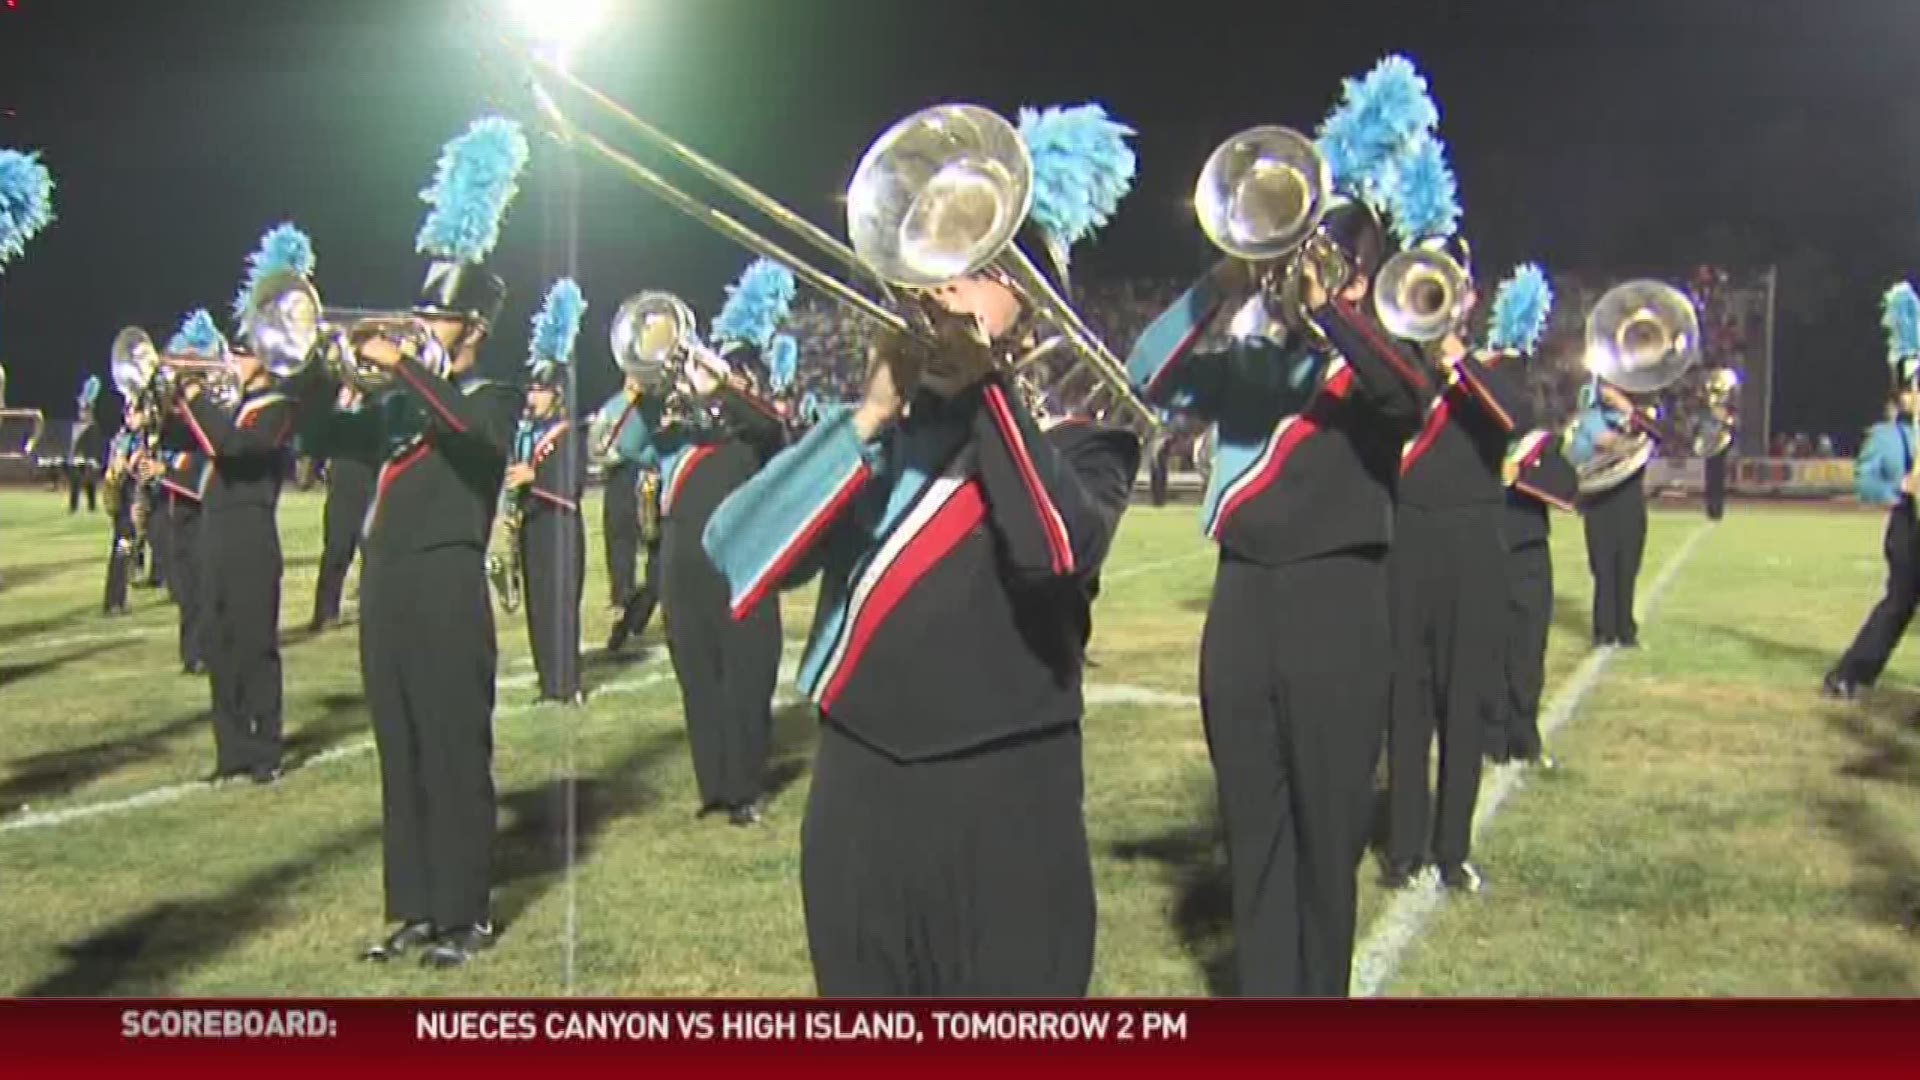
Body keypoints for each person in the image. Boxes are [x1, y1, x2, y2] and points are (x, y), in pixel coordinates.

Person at [358, 115, 529, 969]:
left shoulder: (492, 392)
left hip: (446, 586)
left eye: (440, 315)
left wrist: (405, 367)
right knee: (401, 745)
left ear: (475, 329)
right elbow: (331, 437)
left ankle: (466, 914)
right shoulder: (400, 398)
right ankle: (415, 908)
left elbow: (469, 431)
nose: (425, 323)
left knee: (455, 749)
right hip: (386, 584)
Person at [615, 260, 794, 826]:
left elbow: (772, 426)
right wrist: (643, 390)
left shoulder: (752, 430)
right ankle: (714, 784)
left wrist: (724, 384)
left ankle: (745, 787)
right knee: (696, 670)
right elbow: (618, 446)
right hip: (682, 558)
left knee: (747, 671)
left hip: (744, 556)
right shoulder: (674, 431)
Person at [1380, 245, 1535, 896]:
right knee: (1407, 704)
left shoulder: (1493, 368)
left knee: (1462, 705)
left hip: (1474, 544)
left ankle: (1453, 850)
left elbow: (1516, 419)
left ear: (1466, 295)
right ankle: (1405, 847)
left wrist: (1454, 359)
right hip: (1407, 540)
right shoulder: (1393, 371)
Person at [178, 335, 294, 785]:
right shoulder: (231, 406)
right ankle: (231, 750)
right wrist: (172, 399)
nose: (231, 362)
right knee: (217, 641)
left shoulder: (279, 408)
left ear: (264, 359)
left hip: (251, 532)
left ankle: (265, 749)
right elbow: (194, 438)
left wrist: (194, 397)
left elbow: (233, 448)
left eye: (241, 354)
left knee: (254, 644)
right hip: (215, 529)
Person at [1823, 306, 1920, 702]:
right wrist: (1902, 485)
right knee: (1898, 605)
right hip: (1908, 528)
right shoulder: (1886, 436)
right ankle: (1850, 674)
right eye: (1911, 389)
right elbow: (1866, 483)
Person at [506, 278, 588, 704]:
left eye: (540, 390)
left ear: (558, 395)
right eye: (531, 389)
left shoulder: (570, 433)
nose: (532, 397)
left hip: (560, 530)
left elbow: (570, 487)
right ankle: (546, 683)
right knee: (539, 608)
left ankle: (568, 684)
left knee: (560, 608)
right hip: (534, 528)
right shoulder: (529, 433)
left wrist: (531, 482)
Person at [1568, 381, 1652, 648]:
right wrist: (1630, 435)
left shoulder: (1638, 415)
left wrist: (1628, 410)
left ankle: (1626, 630)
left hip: (1630, 501)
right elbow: (1611, 444)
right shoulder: (1591, 417)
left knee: (1628, 567)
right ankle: (1603, 630)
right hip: (1600, 501)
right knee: (1603, 568)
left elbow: (1661, 436)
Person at [308, 383, 382, 631]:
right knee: (337, 547)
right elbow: (319, 433)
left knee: (372, 548)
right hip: (342, 480)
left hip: (370, 478)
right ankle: (325, 612)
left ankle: (373, 608)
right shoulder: (335, 400)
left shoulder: (380, 399)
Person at [594, 382, 643, 613]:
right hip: (621, 474)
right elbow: (596, 446)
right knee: (619, 534)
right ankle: (622, 594)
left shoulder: (654, 403)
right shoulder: (612, 407)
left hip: (647, 472)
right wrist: (618, 454)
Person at [68, 378, 103, 514]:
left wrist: (94, 459)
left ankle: (91, 506)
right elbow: (74, 444)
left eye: (84, 410)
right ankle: (73, 507)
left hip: (89, 458)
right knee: (75, 482)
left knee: (90, 483)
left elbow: (94, 444)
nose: (81, 412)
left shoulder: (92, 427)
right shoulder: (77, 426)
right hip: (78, 459)